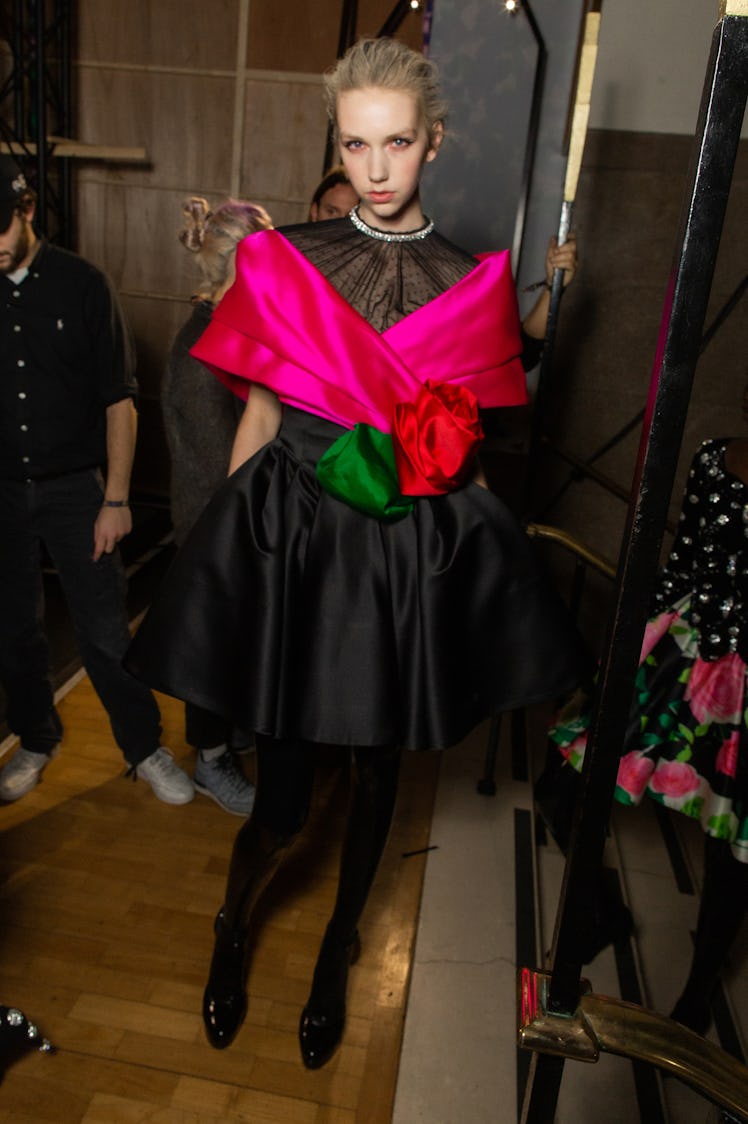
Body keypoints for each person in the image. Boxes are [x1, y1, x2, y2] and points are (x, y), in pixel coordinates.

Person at [126, 37, 586, 1068]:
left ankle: (338, 950)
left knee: (377, 777)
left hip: (398, 562)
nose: (376, 170)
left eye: (397, 145)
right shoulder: (286, 258)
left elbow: (464, 458)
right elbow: (256, 415)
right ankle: (233, 922)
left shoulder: (472, 282)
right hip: (297, 547)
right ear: (337, 143)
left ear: (433, 143)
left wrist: (471, 570)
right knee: (284, 796)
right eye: (355, 144)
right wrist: (230, 557)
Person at [548, 390, 748, 1032]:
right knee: (566, 780)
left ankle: (697, 992)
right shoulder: (717, 457)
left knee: (732, 851)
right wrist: (630, 636)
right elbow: (683, 559)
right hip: (685, 650)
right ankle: (601, 909)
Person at [0, 156, 193, 806]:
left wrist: (115, 499)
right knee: (14, 630)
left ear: (27, 210)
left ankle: (144, 749)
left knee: (105, 632)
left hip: (77, 490)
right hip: (3, 491)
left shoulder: (84, 285)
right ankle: (35, 737)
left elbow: (120, 400)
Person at [162, 196, 273, 815]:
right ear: (241, 266)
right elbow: (213, 465)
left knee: (229, 645)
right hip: (211, 525)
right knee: (207, 650)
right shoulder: (200, 350)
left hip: (228, 522)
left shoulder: (225, 330)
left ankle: (230, 734)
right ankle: (210, 762)